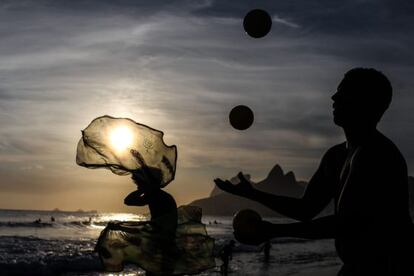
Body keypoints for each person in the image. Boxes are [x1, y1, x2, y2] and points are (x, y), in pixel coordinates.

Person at [214, 68, 414, 276]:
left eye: (344, 92)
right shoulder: (335, 156)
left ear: (366, 102)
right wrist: (252, 194)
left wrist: (273, 231)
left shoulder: (377, 154)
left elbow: (347, 224)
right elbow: (306, 209)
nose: (334, 97)